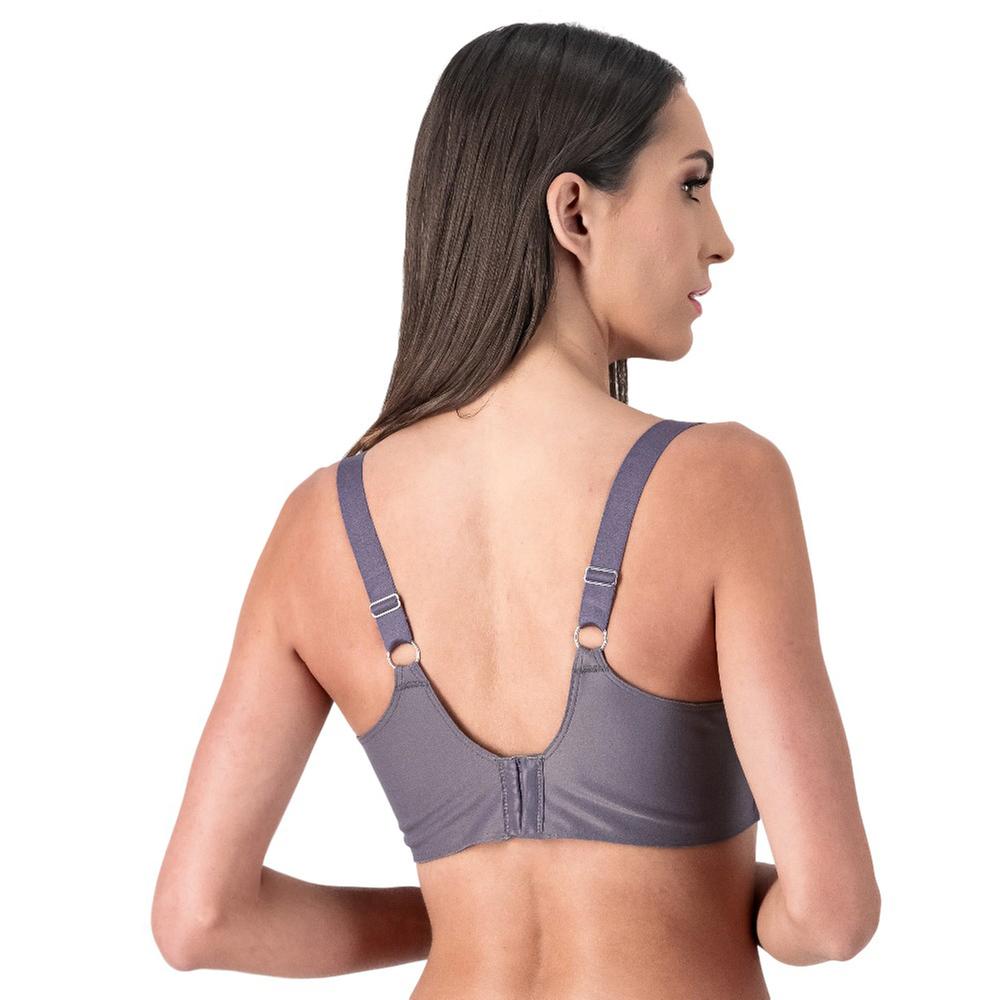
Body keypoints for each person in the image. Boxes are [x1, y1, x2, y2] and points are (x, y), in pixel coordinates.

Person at [151, 21, 880, 997]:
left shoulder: (320, 522)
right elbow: (830, 916)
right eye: (691, 185)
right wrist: (704, 897)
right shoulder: (723, 481)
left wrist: (461, 910)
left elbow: (200, 919)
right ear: (574, 212)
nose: (720, 238)